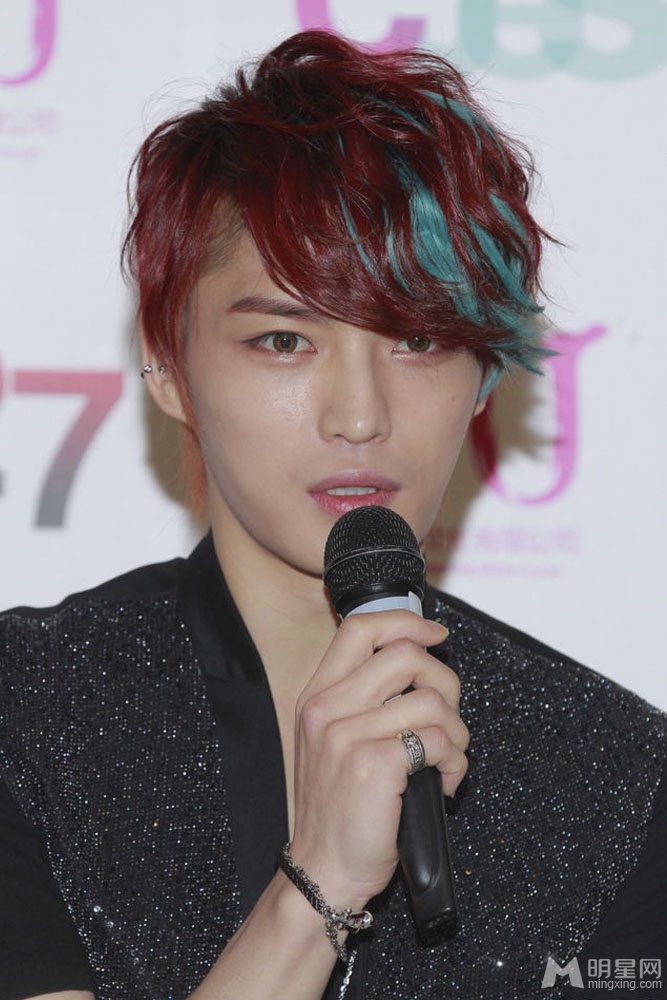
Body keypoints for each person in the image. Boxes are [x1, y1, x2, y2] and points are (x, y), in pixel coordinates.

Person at [0, 29, 665, 1000]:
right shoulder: (28, 712)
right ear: (168, 364)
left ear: (484, 375)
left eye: (419, 339)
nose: (359, 416)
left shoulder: (612, 776)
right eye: (283, 339)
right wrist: (314, 890)